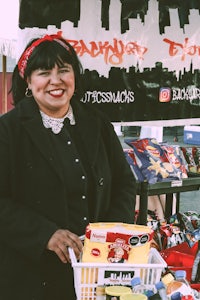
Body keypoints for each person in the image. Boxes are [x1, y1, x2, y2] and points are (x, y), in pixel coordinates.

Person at [0, 33, 136, 300]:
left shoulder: (97, 123)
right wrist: (44, 234)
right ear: (28, 80)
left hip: (93, 274)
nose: (55, 80)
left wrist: (109, 235)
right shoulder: (8, 130)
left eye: (63, 70)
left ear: (75, 75)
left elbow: (124, 182)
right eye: (43, 72)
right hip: (30, 277)